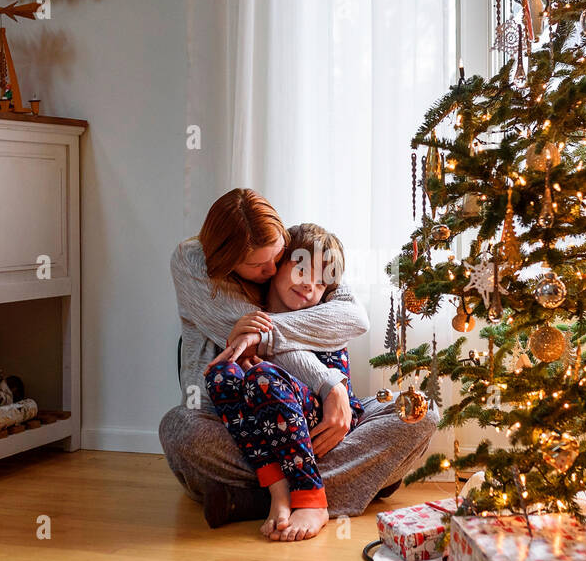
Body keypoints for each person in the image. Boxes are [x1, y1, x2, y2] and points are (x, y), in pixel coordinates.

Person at [159, 188, 438, 528]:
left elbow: (354, 317)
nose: (272, 267)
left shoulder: (304, 252)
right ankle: (338, 484)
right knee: (180, 429)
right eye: (258, 265)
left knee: (419, 411)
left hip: (317, 424)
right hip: (238, 427)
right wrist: (328, 383)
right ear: (228, 259)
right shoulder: (195, 265)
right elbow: (255, 343)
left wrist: (330, 387)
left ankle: (251, 500)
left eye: (278, 256)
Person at [205, 223, 365, 541]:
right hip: (264, 419)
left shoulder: (322, 319)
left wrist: (266, 358)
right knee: (219, 374)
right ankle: (278, 490)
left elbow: (338, 396)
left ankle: (311, 496)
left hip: (323, 418)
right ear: (278, 263)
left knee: (263, 376)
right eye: (302, 270)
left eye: (321, 283)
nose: (310, 287)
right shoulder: (248, 310)